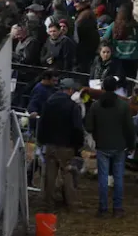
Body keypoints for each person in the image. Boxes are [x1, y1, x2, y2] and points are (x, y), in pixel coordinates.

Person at [85, 75, 136, 217]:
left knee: (103, 178)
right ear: (116, 88)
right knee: (118, 177)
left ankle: (103, 208)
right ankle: (118, 208)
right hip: (120, 146)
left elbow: (88, 126)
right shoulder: (123, 105)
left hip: (102, 146)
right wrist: (131, 144)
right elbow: (129, 128)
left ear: (102, 88)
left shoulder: (95, 105)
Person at [37, 78, 84, 211]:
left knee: (50, 175)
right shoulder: (73, 106)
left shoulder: (49, 103)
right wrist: (78, 145)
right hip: (66, 146)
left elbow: (42, 124)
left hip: (50, 144)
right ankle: (72, 204)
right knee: (67, 174)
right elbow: (77, 128)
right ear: (69, 90)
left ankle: (48, 203)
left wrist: (41, 140)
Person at [103, 4, 138, 82]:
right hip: (133, 58)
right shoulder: (137, 27)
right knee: (130, 82)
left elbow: (105, 39)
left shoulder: (113, 26)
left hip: (117, 58)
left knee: (117, 82)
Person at [74, 0, 100, 72]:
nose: (74, 5)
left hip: (84, 50)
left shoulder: (84, 16)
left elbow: (78, 34)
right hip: (88, 49)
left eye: (76, 2)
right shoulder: (86, 13)